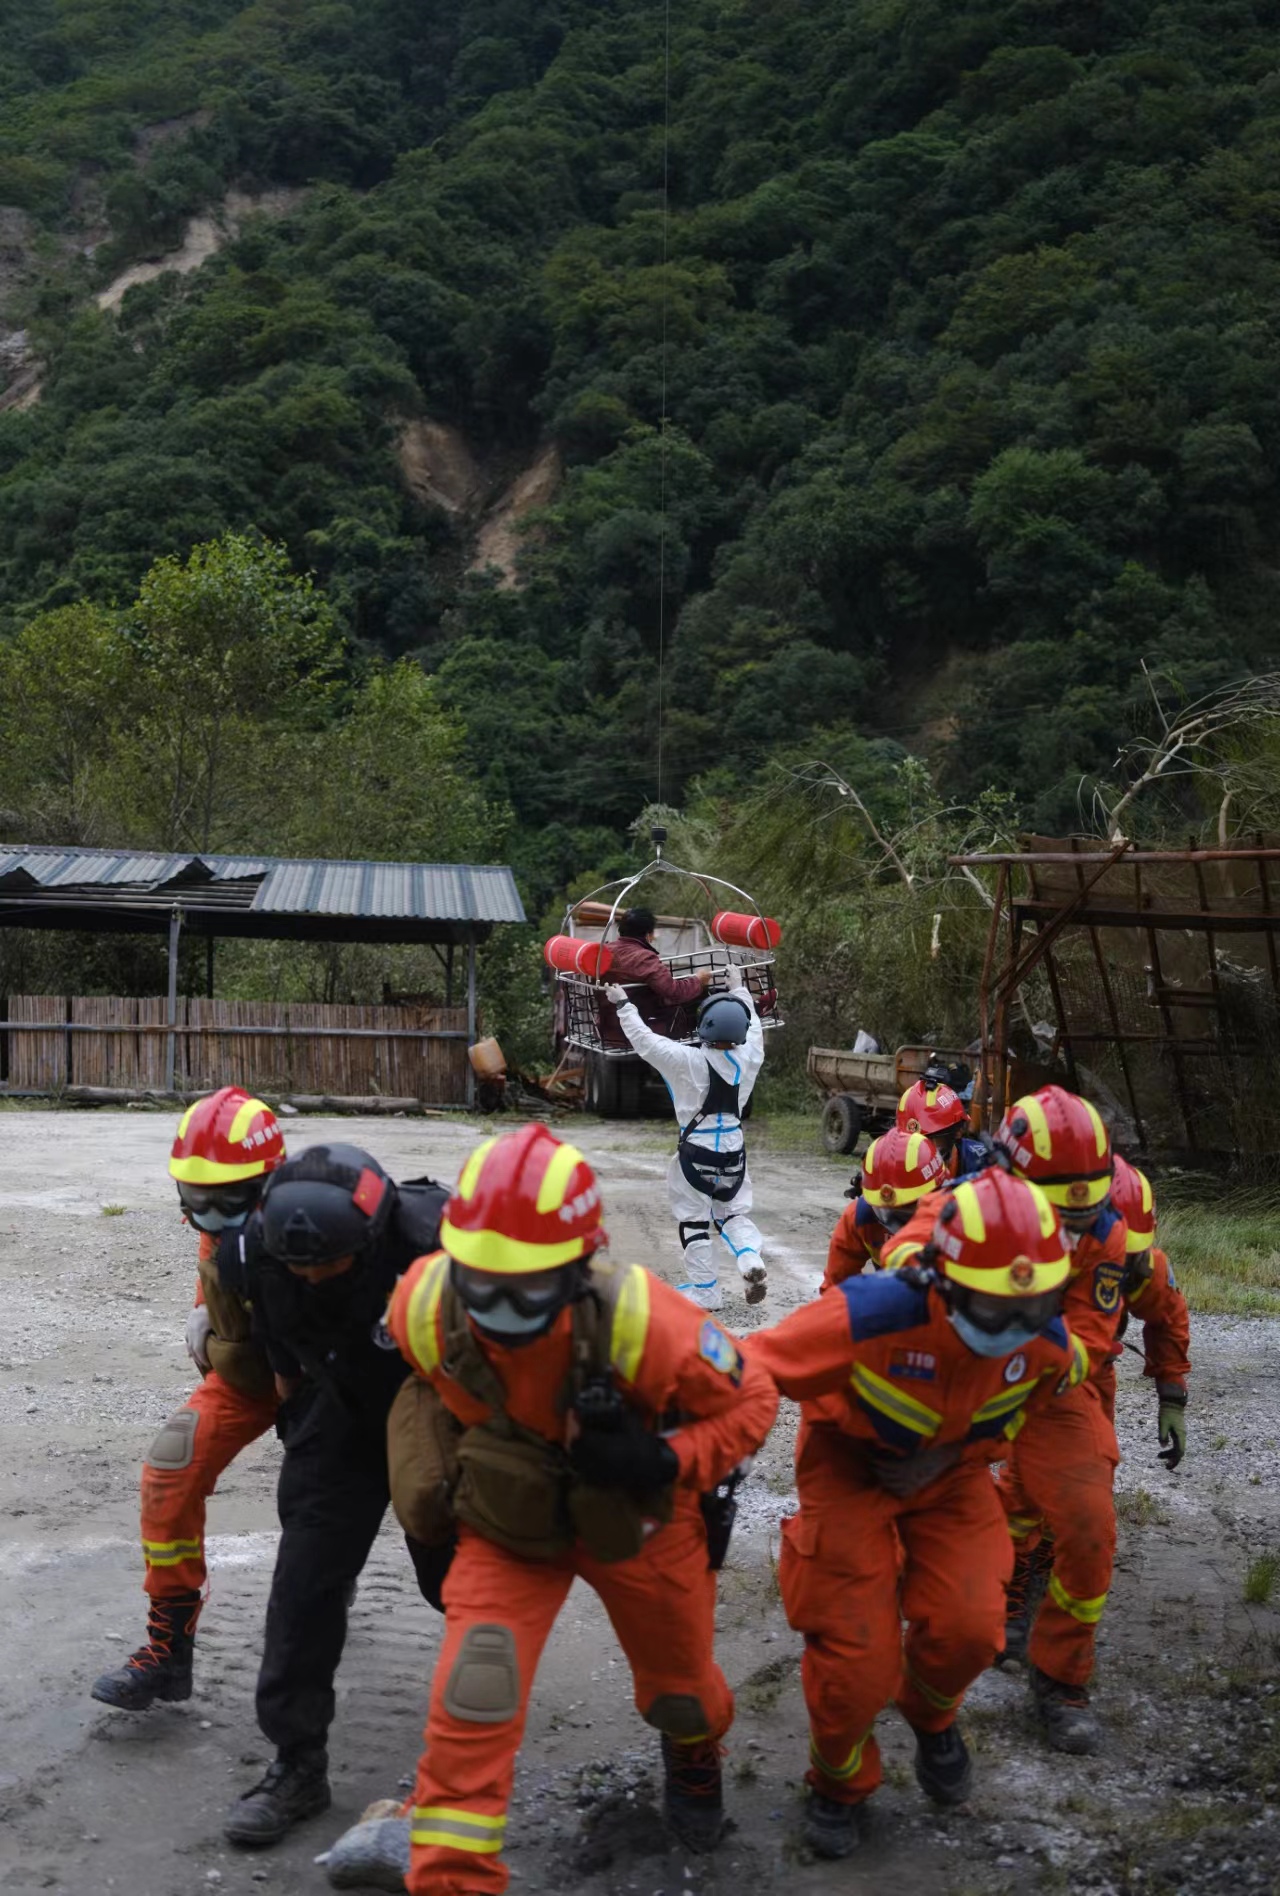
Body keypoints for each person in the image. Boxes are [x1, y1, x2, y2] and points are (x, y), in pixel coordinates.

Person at [385, 1123, 778, 1896]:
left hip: (637, 1521)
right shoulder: (423, 1306)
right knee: (475, 1695)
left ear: (579, 1264)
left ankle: (693, 1755)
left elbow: (753, 1399)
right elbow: (421, 1387)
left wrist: (661, 1459)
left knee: (682, 1693)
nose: (500, 1307)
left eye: (525, 1288)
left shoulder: (639, 1317)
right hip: (508, 1525)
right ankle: (450, 1878)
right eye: (482, 1283)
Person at [746, 1168, 1087, 1859]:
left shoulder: (1047, 1348)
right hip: (851, 1468)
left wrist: (951, 1454)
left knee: (971, 1628)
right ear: (945, 1282)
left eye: (1035, 1305)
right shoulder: (870, 1315)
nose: (1017, 1326)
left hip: (951, 1476)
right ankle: (839, 1782)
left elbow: (1019, 1412)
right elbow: (750, 1368)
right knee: (854, 1655)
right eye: (997, 1308)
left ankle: (931, 1716)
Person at [218, 1144, 452, 1848]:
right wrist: (300, 1427)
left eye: (332, 1263)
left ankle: (466, 1765)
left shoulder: (439, 1238)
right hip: (336, 1409)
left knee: (463, 1584)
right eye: (301, 1266)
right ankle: (297, 1764)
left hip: (433, 1409)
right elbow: (279, 1349)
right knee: (304, 1584)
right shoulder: (252, 1253)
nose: (314, 1276)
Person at [91, 1087, 286, 1712]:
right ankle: (168, 1652)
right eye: (195, 1199)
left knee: (328, 1514)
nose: (209, 1215)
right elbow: (221, 1289)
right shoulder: (220, 1217)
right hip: (251, 1376)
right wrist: (206, 1316)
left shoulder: (323, 1225)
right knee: (168, 1468)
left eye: (225, 1199)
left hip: (328, 1386)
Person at [980, 1086, 1129, 1751]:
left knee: (1090, 1526)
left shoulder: (1105, 1231)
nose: (1068, 1233)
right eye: (1055, 1216)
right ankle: (980, 1609)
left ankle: (1060, 1676)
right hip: (953, 1377)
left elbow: (1090, 1336)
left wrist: (1027, 1367)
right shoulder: (963, 1208)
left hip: (1046, 1382)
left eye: (1081, 1215)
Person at [605, 963, 766, 1310]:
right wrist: (739, 988)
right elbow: (754, 1027)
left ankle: (706, 1291)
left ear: (704, 1027)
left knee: (694, 1223)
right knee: (733, 1215)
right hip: (734, 1155)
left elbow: (646, 1041)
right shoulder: (751, 1056)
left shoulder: (686, 1060)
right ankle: (750, 1257)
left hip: (696, 1156)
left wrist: (623, 1004)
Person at [1103, 1154, 1191, 1449]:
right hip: (1018, 1369)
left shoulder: (1141, 1267)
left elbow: (1167, 1316)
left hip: (1091, 1370)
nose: (1118, 1262)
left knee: (1091, 1460)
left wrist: (1172, 1397)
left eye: (1127, 1254)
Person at [823, 1129, 947, 1288]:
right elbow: (836, 1287)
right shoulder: (859, 1216)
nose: (892, 1222)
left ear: (937, 1193)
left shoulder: (961, 1220)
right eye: (884, 1211)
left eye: (904, 1213)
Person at [605, 905, 712, 1035]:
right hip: (643, 1028)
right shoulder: (644, 958)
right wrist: (698, 980)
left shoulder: (604, 951)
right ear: (648, 935)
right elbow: (674, 992)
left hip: (608, 1026)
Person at [896, 1071, 986, 1176]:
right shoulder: (892, 1164)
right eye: (910, 1143)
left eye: (929, 1141)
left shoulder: (982, 1164)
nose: (920, 1151)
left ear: (958, 1132)